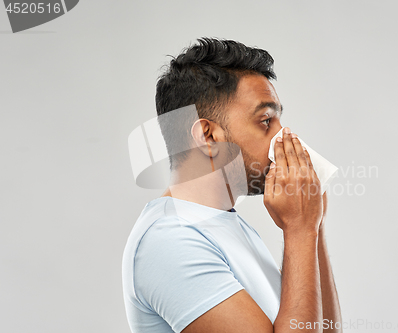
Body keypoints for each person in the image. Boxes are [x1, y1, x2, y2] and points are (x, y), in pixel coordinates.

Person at [122, 37, 342, 333]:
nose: (285, 136)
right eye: (266, 120)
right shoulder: (170, 241)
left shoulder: (226, 226)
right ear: (208, 137)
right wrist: (300, 230)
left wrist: (313, 226)